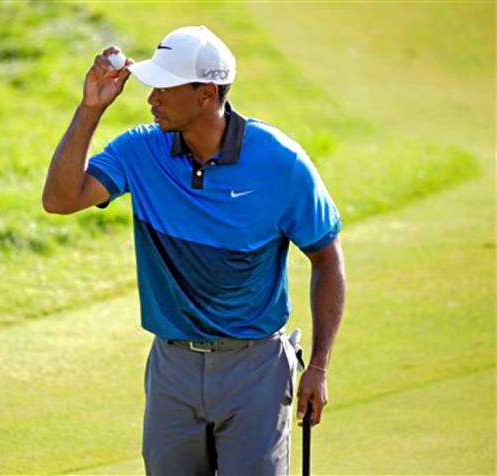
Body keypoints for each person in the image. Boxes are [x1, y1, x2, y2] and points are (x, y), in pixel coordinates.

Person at [42, 25, 345, 476]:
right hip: (173, 367)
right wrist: (90, 111)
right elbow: (60, 200)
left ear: (206, 93)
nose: (151, 99)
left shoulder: (281, 162)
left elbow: (327, 259)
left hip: (255, 369)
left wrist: (318, 366)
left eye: (164, 87)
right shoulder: (141, 150)